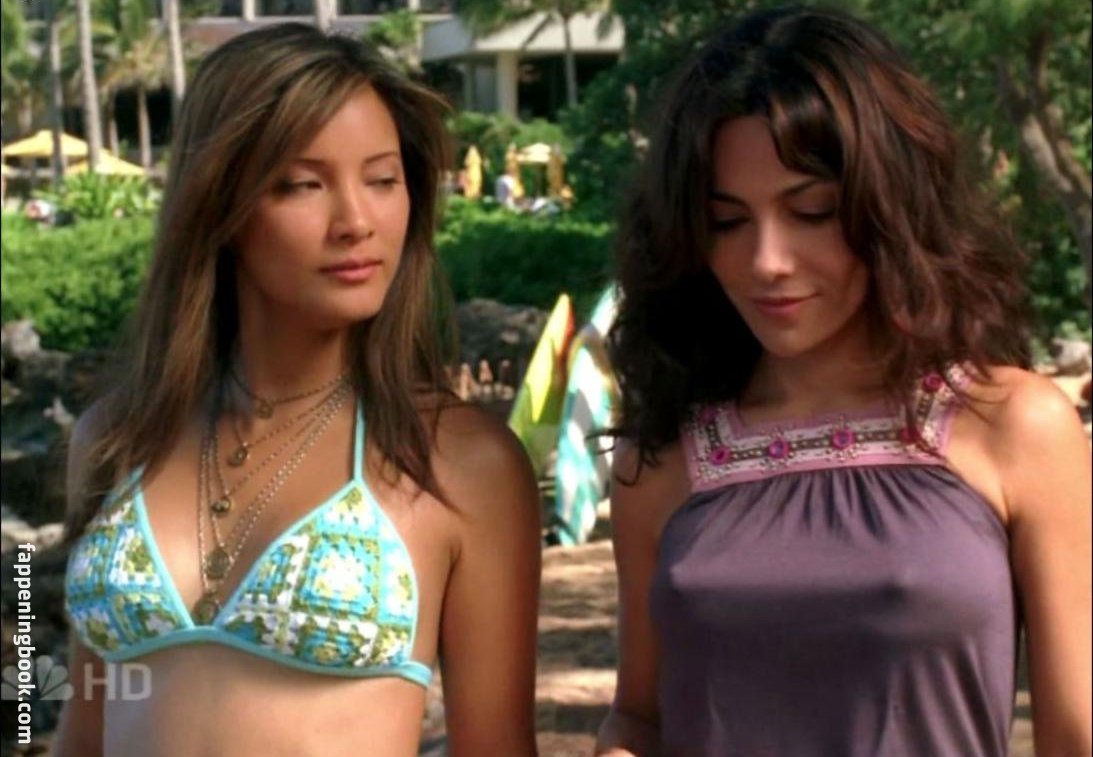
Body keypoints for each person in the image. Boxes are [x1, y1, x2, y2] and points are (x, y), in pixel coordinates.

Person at [596, 7, 1091, 756]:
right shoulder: (661, 461)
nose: (767, 261)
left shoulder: (1015, 424)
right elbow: (639, 717)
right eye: (726, 222)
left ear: (889, 205)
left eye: (811, 211)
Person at [53, 23, 541, 757]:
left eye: (382, 180)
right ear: (220, 205)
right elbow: (83, 726)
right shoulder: (115, 438)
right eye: (303, 184)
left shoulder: (460, 463)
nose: (356, 222)